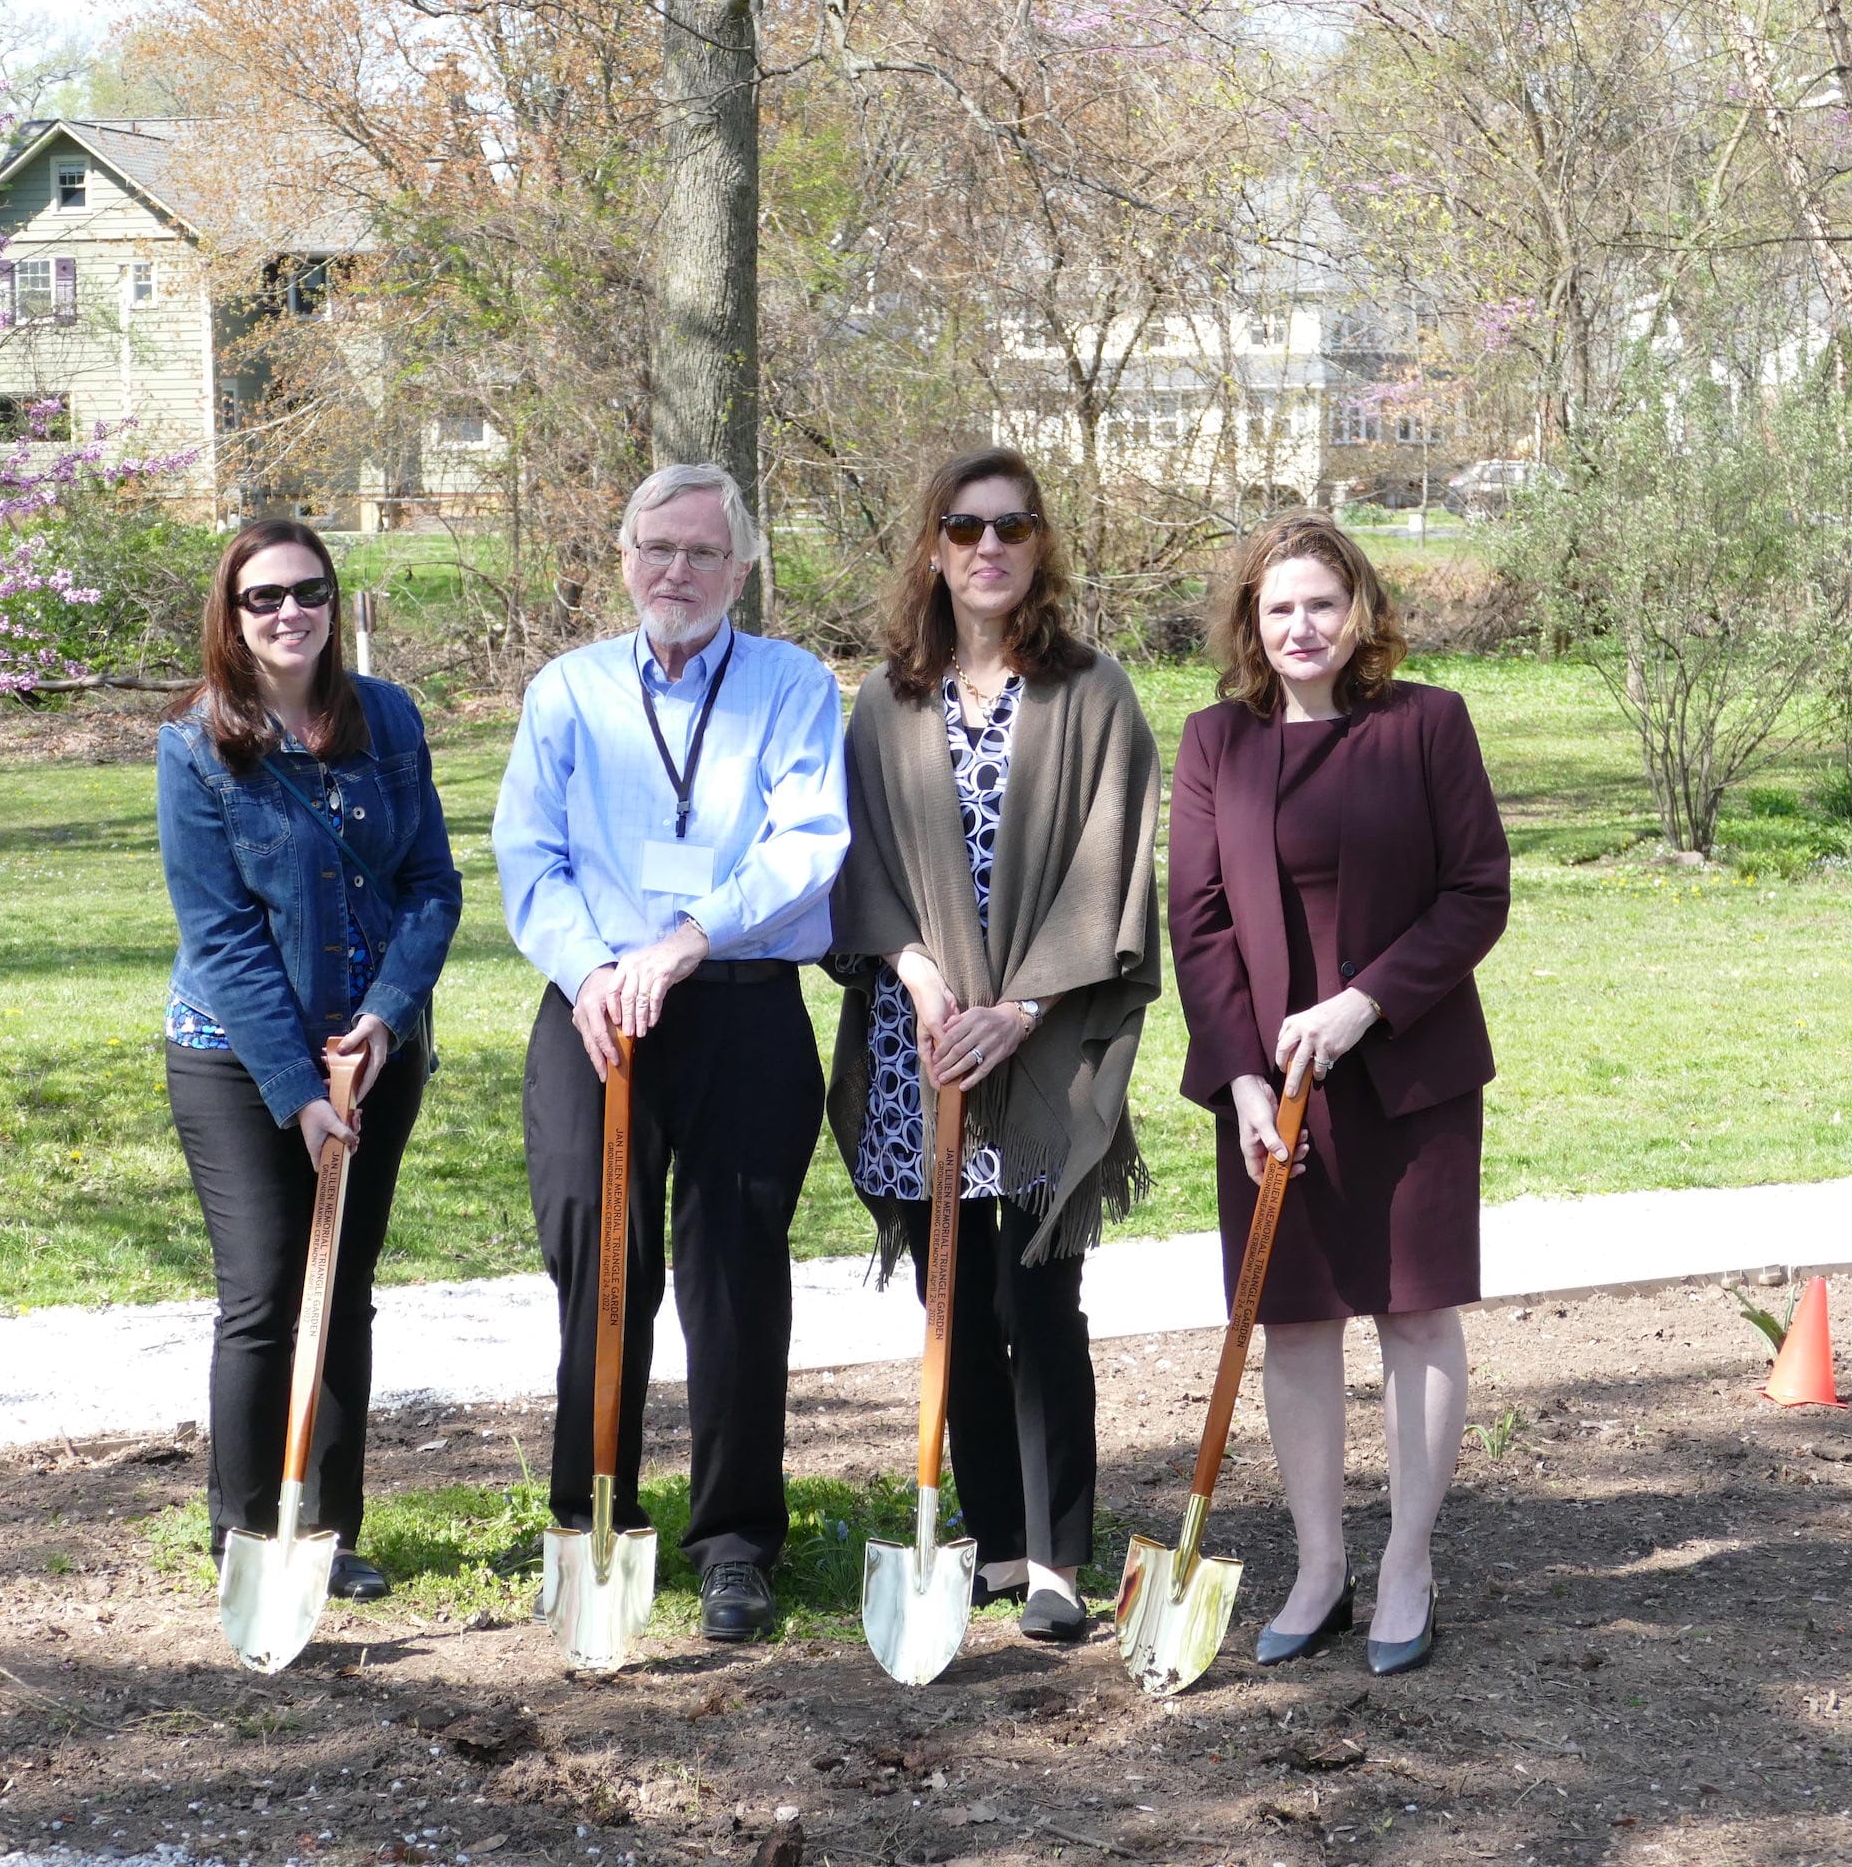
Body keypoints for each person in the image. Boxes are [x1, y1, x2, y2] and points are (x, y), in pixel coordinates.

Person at [493, 463, 849, 1643]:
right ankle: (586, 1515)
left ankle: (736, 1541)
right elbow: (526, 857)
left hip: (739, 1001)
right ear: (625, 556)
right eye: (657, 549)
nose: (677, 573)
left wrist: (689, 941)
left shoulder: (794, 687)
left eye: (702, 553)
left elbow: (807, 845)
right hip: (595, 1009)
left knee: (733, 1275)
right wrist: (593, 969)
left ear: (740, 568)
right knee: (601, 1263)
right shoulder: (569, 691)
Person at [826, 447, 1162, 1644]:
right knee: (951, 1304)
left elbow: (1107, 866)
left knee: (1041, 1300)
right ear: (932, 546)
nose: (987, 548)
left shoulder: (1092, 695)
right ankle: (994, 1541)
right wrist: (917, 978)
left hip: (1040, 1045)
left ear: (1039, 546)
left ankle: (1061, 1555)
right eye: (963, 528)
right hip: (919, 1049)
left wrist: (1016, 1009)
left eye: (1011, 527)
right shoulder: (885, 701)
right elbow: (858, 864)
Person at [1166, 511, 1509, 1677]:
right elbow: (1199, 927)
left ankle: (1407, 1561)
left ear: (1357, 610)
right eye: (1278, 609)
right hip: (1274, 1093)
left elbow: (1476, 893)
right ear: (1250, 628)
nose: (1301, 626)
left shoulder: (1427, 726)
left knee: (1414, 1312)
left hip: (1406, 1074)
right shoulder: (1213, 743)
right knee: (1295, 1319)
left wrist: (1366, 1005)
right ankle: (1321, 1566)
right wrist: (1241, 1080)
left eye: (1320, 602)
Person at [157, 518, 464, 1599]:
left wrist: (386, 1017)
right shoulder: (196, 746)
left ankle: (329, 1528)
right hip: (238, 1064)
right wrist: (298, 1093)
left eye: (309, 592)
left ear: (334, 604)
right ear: (231, 617)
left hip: (374, 1051)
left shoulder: (385, 719)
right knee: (265, 1291)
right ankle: (246, 1531)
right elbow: (220, 934)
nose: (289, 612)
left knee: (344, 1287)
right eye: (263, 597)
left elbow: (431, 883)